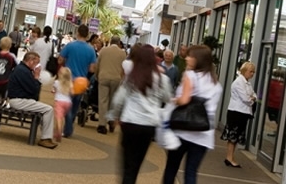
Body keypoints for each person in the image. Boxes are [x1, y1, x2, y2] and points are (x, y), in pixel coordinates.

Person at [108, 45, 173, 184]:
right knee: (137, 162)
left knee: (127, 163)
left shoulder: (132, 77)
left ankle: (127, 180)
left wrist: (114, 115)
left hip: (130, 122)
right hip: (149, 125)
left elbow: (119, 99)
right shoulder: (162, 79)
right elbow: (168, 99)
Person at [162, 45, 223, 184]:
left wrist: (173, 100)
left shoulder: (191, 75)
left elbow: (184, 99)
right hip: (203, 133)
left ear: (198, 59)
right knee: (191, 171)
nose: (187, 58)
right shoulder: (215, 82)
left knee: (172, 167)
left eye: (190, 56)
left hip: (183, 129)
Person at [6, 52, 58, 148]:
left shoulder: (23, 70)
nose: (37, 66)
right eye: (36, 63)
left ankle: (46, 136)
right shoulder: (23, 71)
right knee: (48, 109)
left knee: (46, 109)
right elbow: (34, 90)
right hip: (19, 100)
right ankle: (45, 138)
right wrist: (37, 77)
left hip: (20, 99)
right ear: (30, 61)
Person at [58, 24, 98, 139]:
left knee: (67, 104)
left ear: (78, 33)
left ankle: (68, 128)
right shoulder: (91, 50)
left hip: (69, 79)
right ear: (87, 35)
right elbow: (92, 68)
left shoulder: (70, 46)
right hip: (81, 81)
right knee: (75, 105)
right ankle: (68, 128)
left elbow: (60, 60)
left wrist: (66, 61)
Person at [222, 61, 257, 168]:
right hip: (236, 112)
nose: (252, 74)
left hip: (243, 112)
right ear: (244, 71)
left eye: (253, 72)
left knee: (236, 137)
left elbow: (254, 95)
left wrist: (252, 97)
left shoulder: (247, 83)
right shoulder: (238, 82)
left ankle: (230, 157)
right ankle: (229, 157)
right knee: (233, 136)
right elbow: (246, 98)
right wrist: (252, 99)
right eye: (251, 71)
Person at [95, 35, 127, 134]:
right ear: (118, 43)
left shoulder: (103, 51)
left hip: (103, 77)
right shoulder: (122, 53)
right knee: (113, 101)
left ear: (110, 42)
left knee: (103, 100)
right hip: (116, 79)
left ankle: (102, 125)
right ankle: (111, 121)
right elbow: (124, 68)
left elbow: (98, 65)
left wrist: (97, 76)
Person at [52, 67, 73, 142]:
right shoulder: (70, 84)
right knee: (62, 117)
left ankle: (59, 131)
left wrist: (54, 91)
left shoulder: (57, 82)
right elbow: (72, 92)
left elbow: (53, 90)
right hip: (68, 103)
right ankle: (58, 131)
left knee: (58, 118)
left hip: (59, 101)